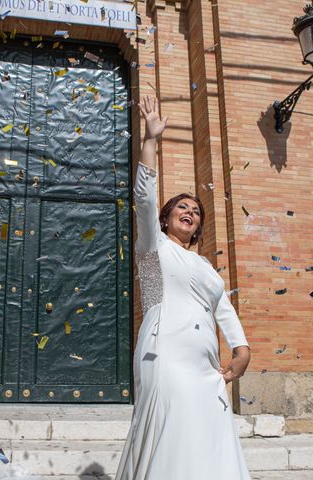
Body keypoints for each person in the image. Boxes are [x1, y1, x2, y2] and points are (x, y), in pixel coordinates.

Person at [115, 96, 251, 479]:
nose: (190, 212)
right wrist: (150, 140)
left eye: (196, 211)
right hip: (165, 355)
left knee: (208, 436)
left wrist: (241, 349)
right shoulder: (152, 248)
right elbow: (143, 199)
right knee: (172, 429)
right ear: (166, 217)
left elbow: (222, 307)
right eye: (182, 208)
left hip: (205, 364)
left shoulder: (206, 266)